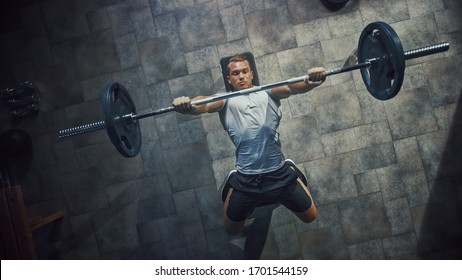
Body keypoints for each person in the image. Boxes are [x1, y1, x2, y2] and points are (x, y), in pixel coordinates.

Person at [172, 54, 326, 235]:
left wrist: (313, 80)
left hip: (278, 174)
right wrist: (187, 105)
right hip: (246, 180)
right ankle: (233, 182)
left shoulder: (268, 91)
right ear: (229, 79)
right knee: (232, 231)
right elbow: (203, 104)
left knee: (310, 217)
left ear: (251, 74)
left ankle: (291, 170)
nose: (241, 76)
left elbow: (292, 86)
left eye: (245, 71)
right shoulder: (225, 100)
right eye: (236, 73)